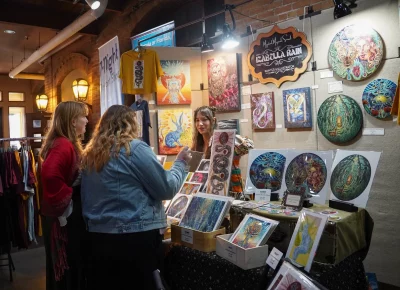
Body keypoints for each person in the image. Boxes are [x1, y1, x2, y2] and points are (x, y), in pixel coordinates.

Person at [80, 105, 191, 289]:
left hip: (98, 237)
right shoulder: (133, 149)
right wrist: (180, 163)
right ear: (131, 124)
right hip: (134, 237)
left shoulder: (90, 154)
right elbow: (167, 188)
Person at [40, 101, 88, 290]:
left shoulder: (62, 143)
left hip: (62, 217)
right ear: (72, 121)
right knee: (67, 267)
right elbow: (50, 175)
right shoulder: (63, 144)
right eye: (83, 116)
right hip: (64, 219)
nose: (86, 120)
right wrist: (70, 191)